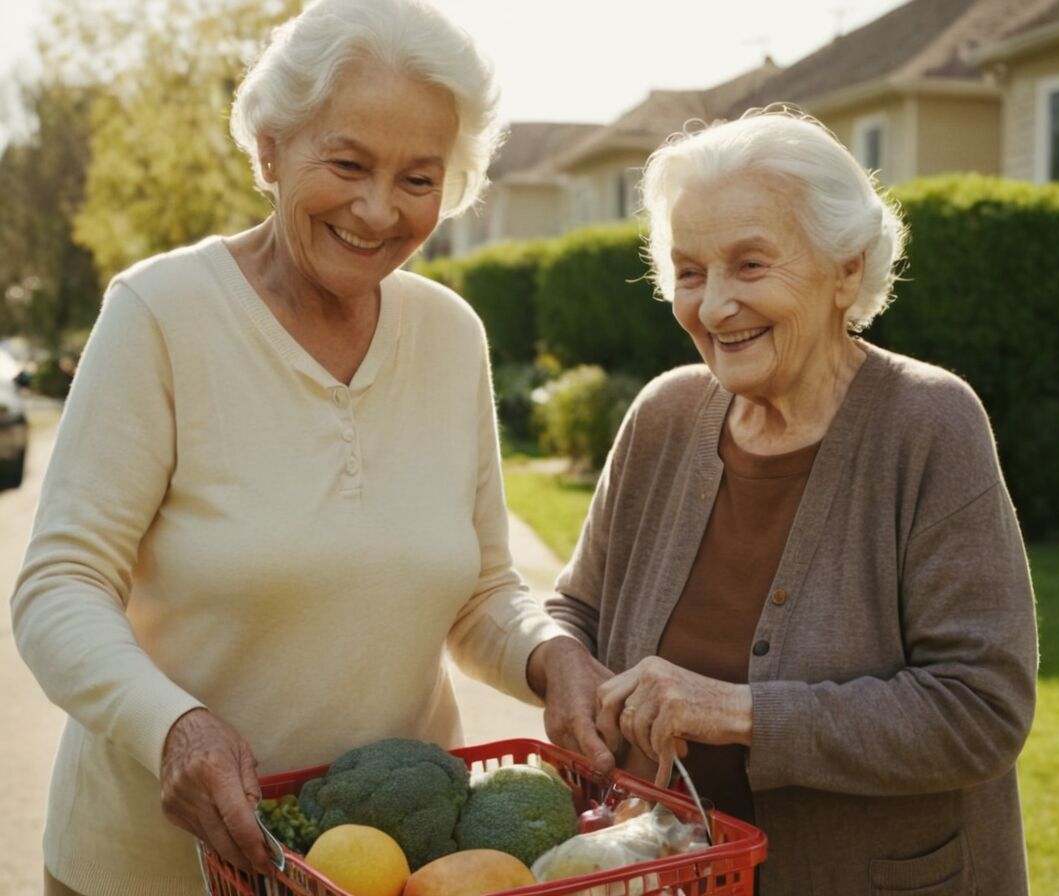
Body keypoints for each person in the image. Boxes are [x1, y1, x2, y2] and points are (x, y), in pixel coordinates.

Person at [10, 1, 610, 893]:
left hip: (389, 870)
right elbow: (60, 587)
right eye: (347, 162)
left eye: (419, 178)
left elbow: (483, 588)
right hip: (152, 868)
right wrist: (175, 726)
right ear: (270, 150)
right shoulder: (161, 315)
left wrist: (549, 656)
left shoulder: (451, 335)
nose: (378, 210)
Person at [544, 107, 1039, 894]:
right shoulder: (664, 416)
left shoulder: (928, 423)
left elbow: (981, 710)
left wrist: (738, 712)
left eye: (749, 265)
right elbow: (575, 609)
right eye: (690, 271)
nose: (711, 308)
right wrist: (562, 661)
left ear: (847, 268)